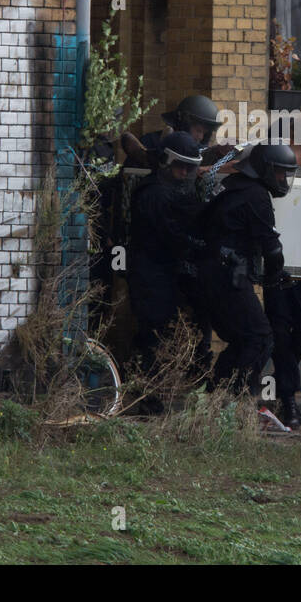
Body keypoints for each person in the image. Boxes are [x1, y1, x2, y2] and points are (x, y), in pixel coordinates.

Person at [197, 141, 298, 395]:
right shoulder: (256, 195)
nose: (283, 179)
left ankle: (215, 396)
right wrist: (274, 278)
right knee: (260, 338)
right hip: (226, 276)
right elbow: (272, 250)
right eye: (279, 172)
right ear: (264, 169)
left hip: (211, 272)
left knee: (243, 339)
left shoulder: (233, 185)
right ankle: (238, 400)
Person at [125, 132, 206, 401]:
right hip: (151, 277)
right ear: (166, 162)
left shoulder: (176, 191)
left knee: (163, 338)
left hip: (167, 276)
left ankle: (157, 395)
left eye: (189, 167)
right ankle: (148, 399)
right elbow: (171, 234)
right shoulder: (153, 193)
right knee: (153, 339)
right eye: (179, 165)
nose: (184, 172)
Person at [263, 112, 301, 428]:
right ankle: (289, 402)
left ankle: (281, 377)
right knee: (281, 332)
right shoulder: (278, 157)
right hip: (279, 257)